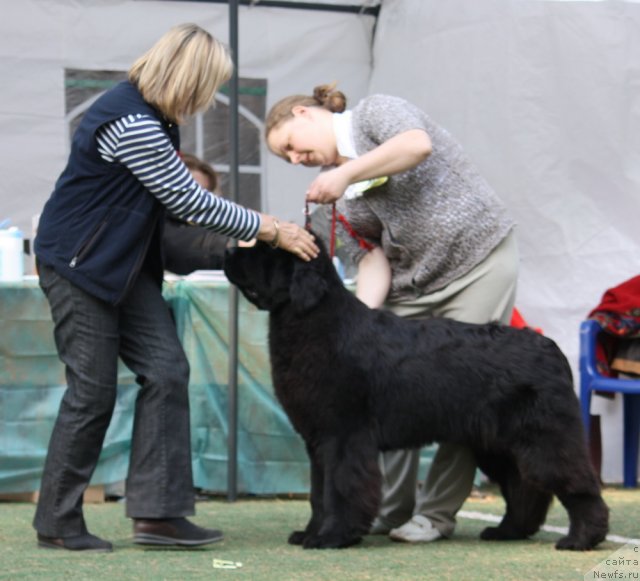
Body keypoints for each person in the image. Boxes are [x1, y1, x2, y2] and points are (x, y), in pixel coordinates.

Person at [33, 23, 318, 553]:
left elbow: (169, 216)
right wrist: (270, 228)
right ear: (190, 77)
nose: (207, 99)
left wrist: (241, 244)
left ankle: (159, 515)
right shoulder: (130, 119)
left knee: (167, 371)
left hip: (124, 269)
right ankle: (57, 521)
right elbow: (189, 203)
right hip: (78, 265)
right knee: (91, 391)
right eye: (209, 85)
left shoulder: (157, 119)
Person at [265, 84, 518, 543]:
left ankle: (435, 515)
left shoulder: (376, 113)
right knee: (391, 390)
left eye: (290, 147)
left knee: (461, 391)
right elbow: (370, 261)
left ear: (303, 113)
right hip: (412, 282)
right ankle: (387, 508)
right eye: (288, 160)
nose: (296, 160)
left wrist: (346, 175)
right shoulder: (328, 200)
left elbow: (415, 145)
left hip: (477, 263)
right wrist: (359, 327)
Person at [163, 152, 228, 274]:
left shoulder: (207, 223)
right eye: (189, 190)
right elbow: (178, 244)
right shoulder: (157, 224)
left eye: (203, 194)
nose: (195, 200)